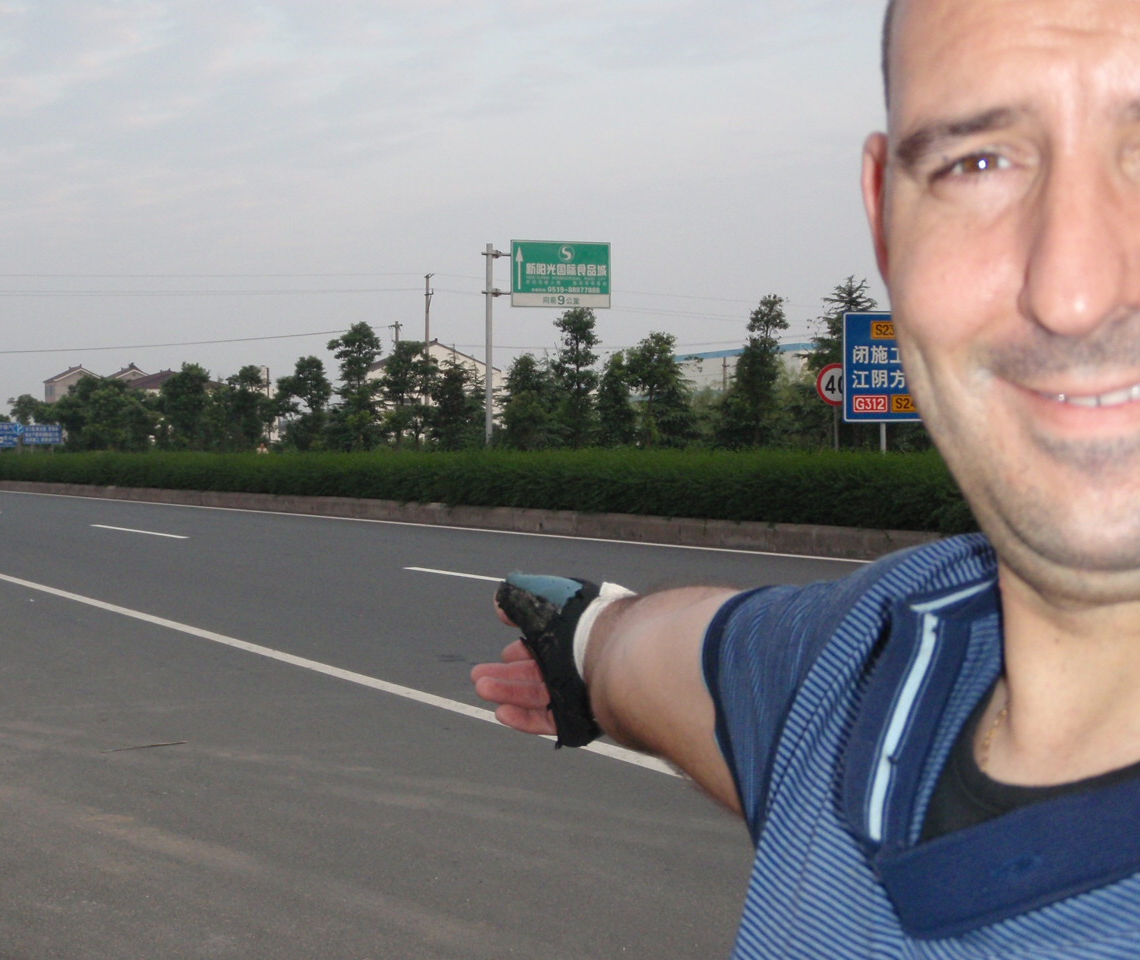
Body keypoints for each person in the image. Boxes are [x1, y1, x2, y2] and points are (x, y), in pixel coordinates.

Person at [471, 0, 1140, 954]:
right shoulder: (874, 653)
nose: (1071, 289)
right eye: (977, 164)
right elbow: (672, 660)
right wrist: (583, 638)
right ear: (886, 220)